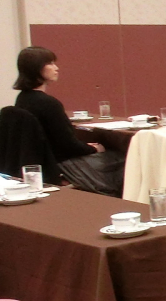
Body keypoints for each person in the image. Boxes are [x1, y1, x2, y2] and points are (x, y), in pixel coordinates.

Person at [13, 46, 125, 195]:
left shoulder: (22, 99)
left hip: (45, 162)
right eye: (50, 63)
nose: (56, 68)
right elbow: (68, 145)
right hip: (62, 165)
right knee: (124, 159)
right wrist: (93, 148)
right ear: (36, 68)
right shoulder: (48, 104)